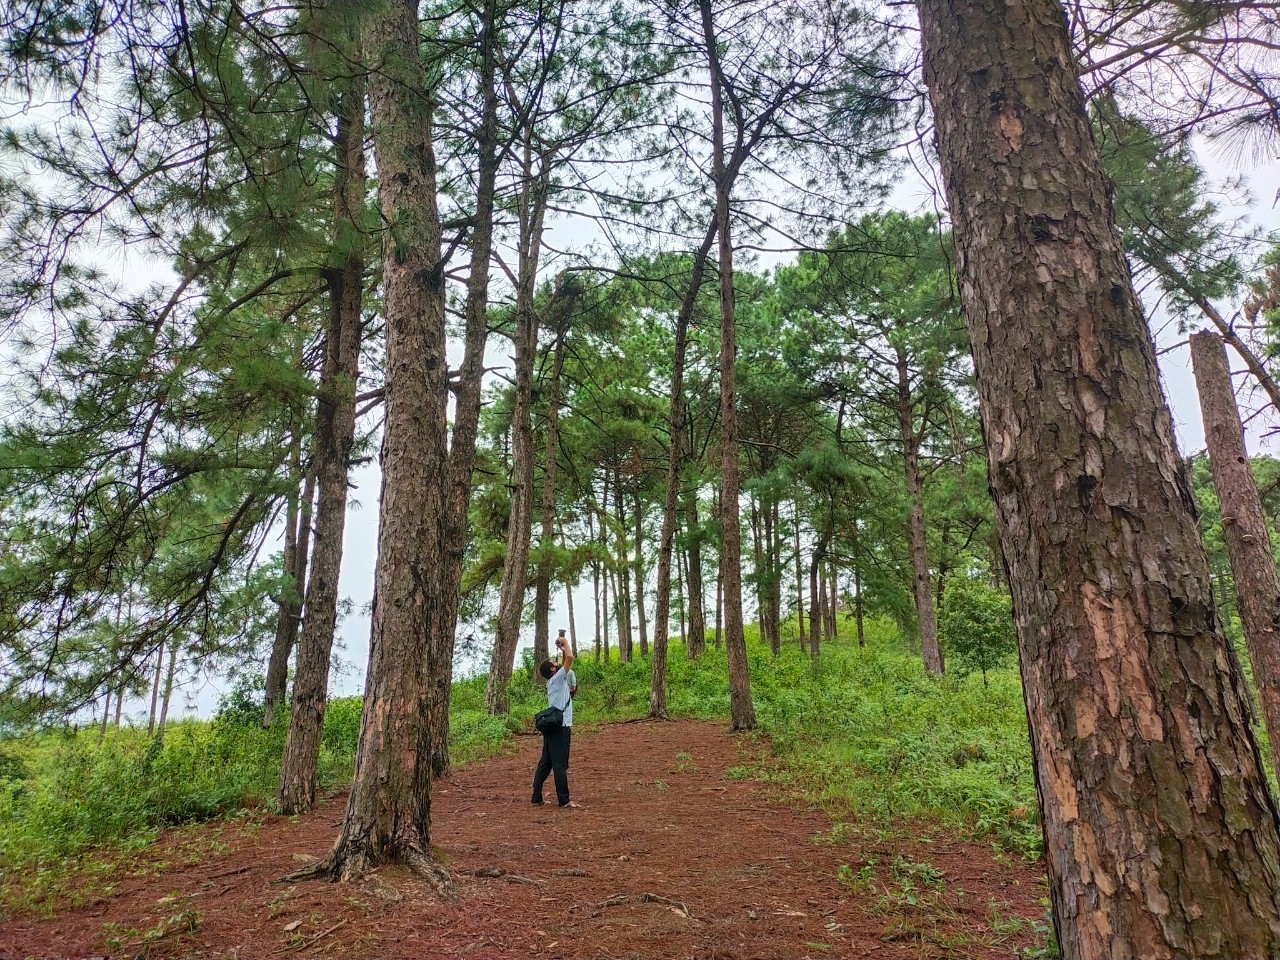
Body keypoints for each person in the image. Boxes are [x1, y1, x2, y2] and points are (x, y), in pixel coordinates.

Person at [532, 631, 579, 809]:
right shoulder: (558, 679)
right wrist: (564, 642)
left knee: (546, 763)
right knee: (560, 764)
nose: (557, 665)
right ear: (553, 670)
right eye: (554, 664)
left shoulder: (552, 682)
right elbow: (570, 657)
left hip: (552, 728)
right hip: (561, 727)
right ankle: (564, 800)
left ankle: (536, 797)